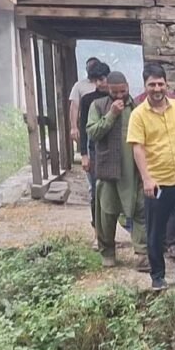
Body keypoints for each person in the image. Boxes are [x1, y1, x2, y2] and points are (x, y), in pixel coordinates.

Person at [127, 63, 175, 291]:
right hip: (157, 183)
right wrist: (147, 179)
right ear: (145, 86)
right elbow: (138, 148)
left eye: (160, 84)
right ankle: (158, 276)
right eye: (152, 84)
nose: (157, 89)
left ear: (166, 84)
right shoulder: (138, 115)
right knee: (156, 231)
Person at [86, 72, 148, 271]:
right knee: (107, 212)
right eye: (115, 92)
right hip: (108, 168)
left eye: (123, 91)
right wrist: (111, 114)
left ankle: (142, 254)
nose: (120, 95)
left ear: (128, 86)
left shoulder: (137, 107)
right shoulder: (98, 106)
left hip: (134, 170)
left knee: (140, 210)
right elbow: (93, 133)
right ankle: (108, 252)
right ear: (108, 89)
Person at [77, 62, 111, 234]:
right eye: (96, 80)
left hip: (114, 149)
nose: (100, 83)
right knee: (96, 191)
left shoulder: (117, 97)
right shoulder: (87, 100)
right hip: (94, 149)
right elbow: (83, 128)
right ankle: (98, 230)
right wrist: (84, 154)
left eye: (102, 79)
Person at [68, 56, 100, 146]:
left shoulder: (105, 83)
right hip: (87, 123)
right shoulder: (79, 85)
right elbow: (74, 107)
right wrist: (74, 127)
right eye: (89, 67)